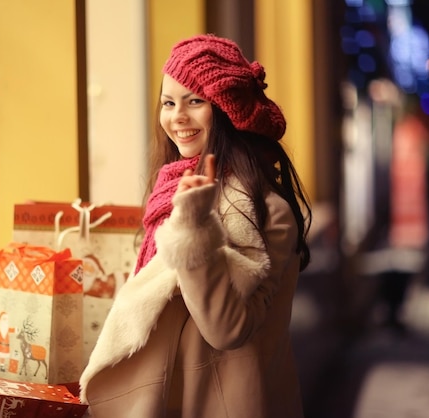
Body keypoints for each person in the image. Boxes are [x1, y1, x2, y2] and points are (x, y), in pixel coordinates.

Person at [79, 34, 312, 418]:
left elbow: (227, 328)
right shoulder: (177, 190)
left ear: (224, 109)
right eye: (168, 103)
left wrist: (192, 228)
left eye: (195, 102)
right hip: (177, 395)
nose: (177, 118)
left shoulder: (263, 210)